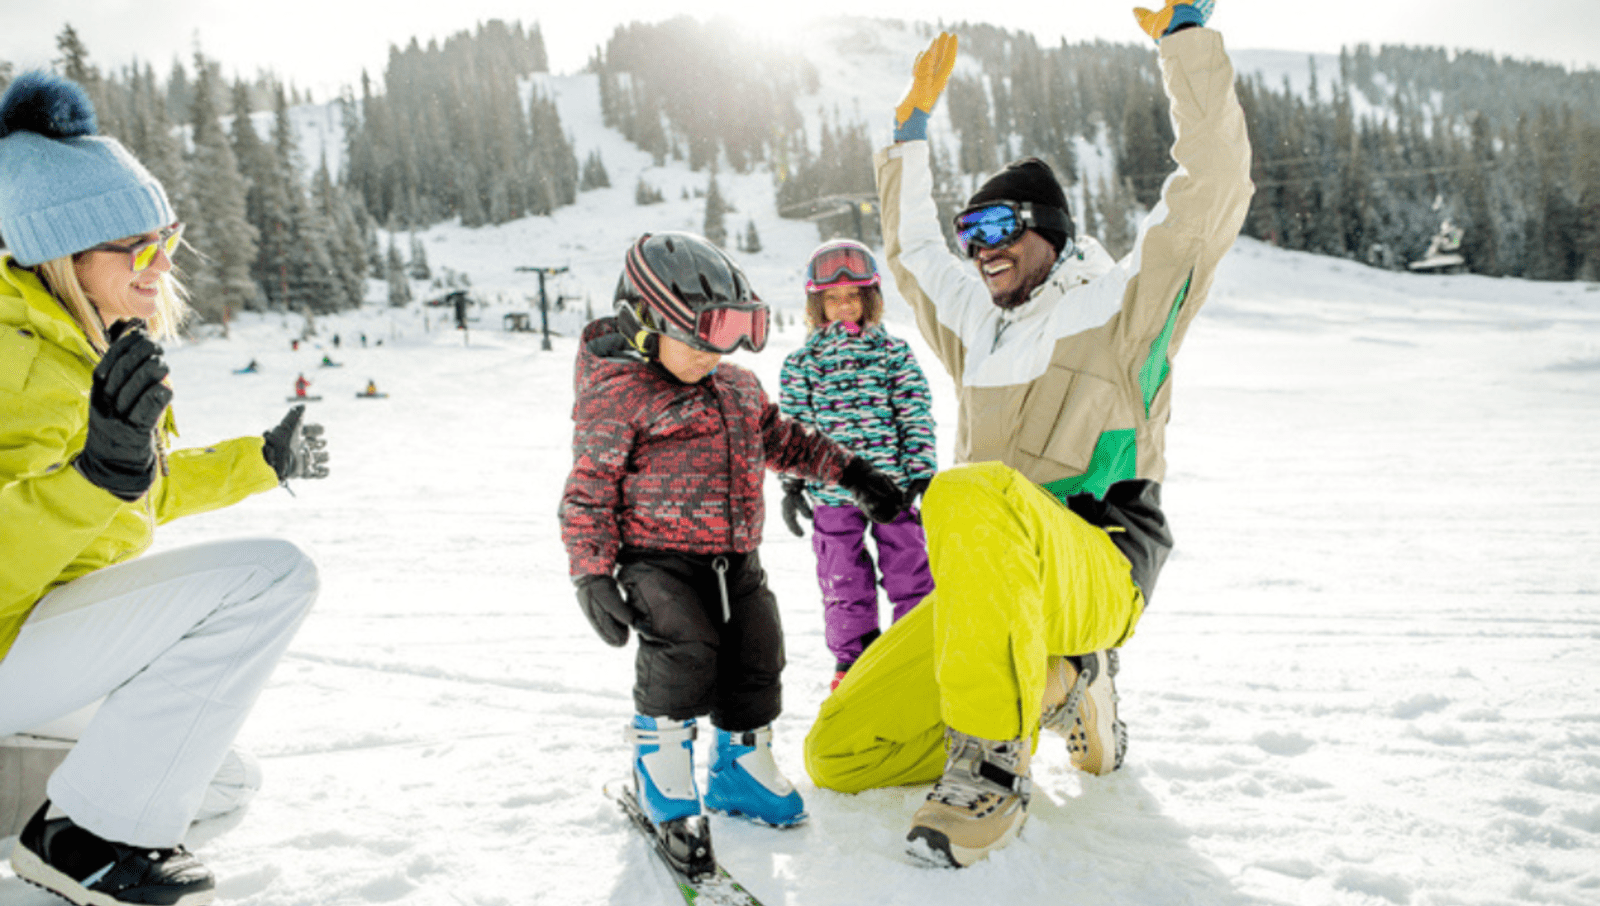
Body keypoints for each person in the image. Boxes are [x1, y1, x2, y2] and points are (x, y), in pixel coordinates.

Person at [803, 0, 1253, 868]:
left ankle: (990, 769)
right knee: (840, 750)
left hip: (1100, 561)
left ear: (1049, 228)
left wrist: (1186, 40)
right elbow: (909, 252)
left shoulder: (1123, 304)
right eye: (972, 233)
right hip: (991, 586)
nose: (979, 248)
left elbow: (1213, 188)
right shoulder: (979, 324)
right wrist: (907, 135)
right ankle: (1062, 682)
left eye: (999, 226)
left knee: (967, 490)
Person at [0, 72, 332, 905]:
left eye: (167, 241)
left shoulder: (86, 343)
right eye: (136, 247)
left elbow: (133, 493)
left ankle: (77, 819)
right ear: (65, 255)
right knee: (273, 575)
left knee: (216, 783)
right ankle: (80, 842)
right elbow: (90, 494)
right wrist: (91, 479)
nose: (161, 266)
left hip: (30, 641)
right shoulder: (12, 357)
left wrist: (260, 460)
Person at [558, 232, 904, 874]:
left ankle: (741, 767)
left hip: (737, 560)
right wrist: (591, 572)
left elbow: (788, 441)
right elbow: (588, 490)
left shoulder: (737, 387)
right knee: (683, 652)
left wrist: (854, 473)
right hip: (657, 560)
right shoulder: (621, 396)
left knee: (758, 653)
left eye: (736, 332)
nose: (718, 351)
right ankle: (661, 774)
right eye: (703, 335)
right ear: (643, 324)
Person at [777, 239, 938, 691]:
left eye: (852, 297)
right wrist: (792, 485)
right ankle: (854, 662)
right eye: (832, 299)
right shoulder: (801, 364)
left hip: (893, 490)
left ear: (870, 299)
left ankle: (915, 649)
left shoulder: (894, 354)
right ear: (818, 304)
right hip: (832, 493)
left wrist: (921, 471)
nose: (844, 307)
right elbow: (793, 430)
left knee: (910, 569)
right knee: (843, 581)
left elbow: (914, 412)